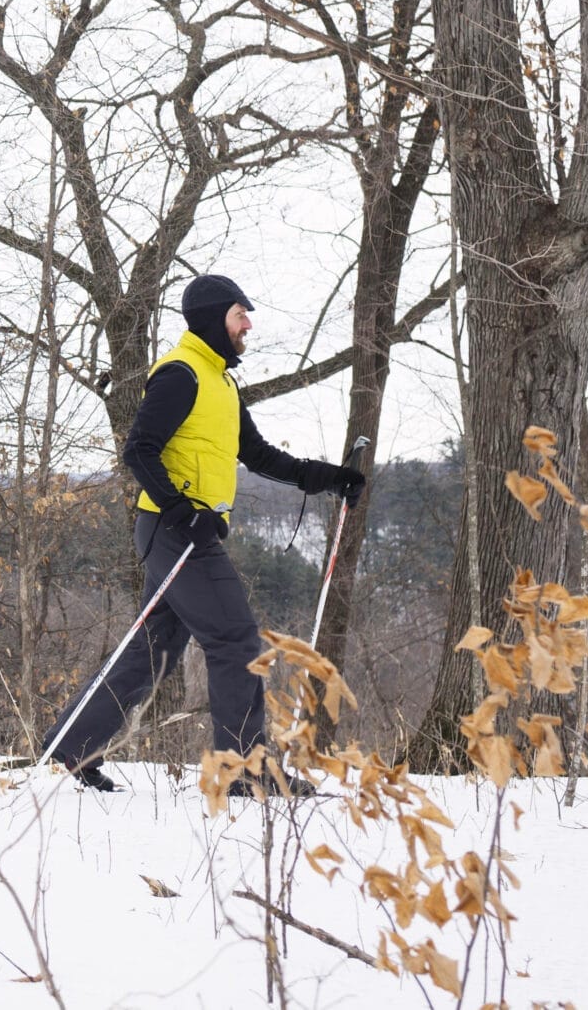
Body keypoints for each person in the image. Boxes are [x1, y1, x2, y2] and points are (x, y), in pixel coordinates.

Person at [42, 274, 366, 795]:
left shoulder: (221, 383)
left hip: (183, 530)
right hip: (177, 531)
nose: (248, 325)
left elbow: (258, 455)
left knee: (155, 650)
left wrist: (329, 477)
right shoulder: (181, 374)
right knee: (236, 639)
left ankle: (69, 752)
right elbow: (139, 449)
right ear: (217, 316)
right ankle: (244, 772)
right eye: (241, 315)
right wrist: (180, 509)